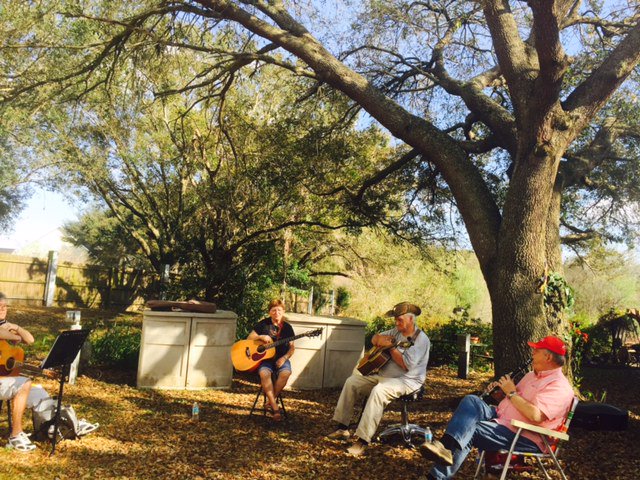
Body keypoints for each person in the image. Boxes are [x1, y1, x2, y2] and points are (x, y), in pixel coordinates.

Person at [418, 335, 574, 479]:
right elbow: (515, 401)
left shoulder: (559, 386)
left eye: (536, 350)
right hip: (502, 420)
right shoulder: (531, 376)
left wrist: (511, 392)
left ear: (547, 356)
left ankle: (436, 475)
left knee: (471, 429)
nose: (532, 353)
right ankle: (445, 446)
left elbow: (536, 416)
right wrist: (501, 395)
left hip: (524, 435)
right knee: (472, 401)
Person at [326, 302, 430, 456]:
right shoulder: (395, 331)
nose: (396, 323)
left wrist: (391, 347)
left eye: (399, 320)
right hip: (384, 376)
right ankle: (343, 427)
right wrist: (379, 341)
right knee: (352, 382)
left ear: (411, 320)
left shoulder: (421, 339)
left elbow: (405, 364)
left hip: (407, 381)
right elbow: (375, 338)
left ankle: (362, 441)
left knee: (379, 391)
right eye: (395, 320)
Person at [0, 293, 99, 453]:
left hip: (6, 378)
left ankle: (63, 424)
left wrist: (16, 328)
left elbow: (30, 340)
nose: (3, 309)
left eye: (5, 306)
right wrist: (13, 336)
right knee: (24, 383)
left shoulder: (7, 324)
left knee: (39, 391)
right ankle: (15, 436)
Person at [247, 299, 295, 422]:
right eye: (273, 310)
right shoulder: (263, 324)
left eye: (279, 310)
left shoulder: (287, 328)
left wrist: (284, 358)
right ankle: (275, 407)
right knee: (264, 373)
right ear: (269, 312)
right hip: (266, 359)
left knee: (286, 373)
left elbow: (292, 348)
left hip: (281, 359)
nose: (276, 312)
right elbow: (249, 338)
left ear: (283, 311)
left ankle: (270, 401)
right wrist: (260, 336)